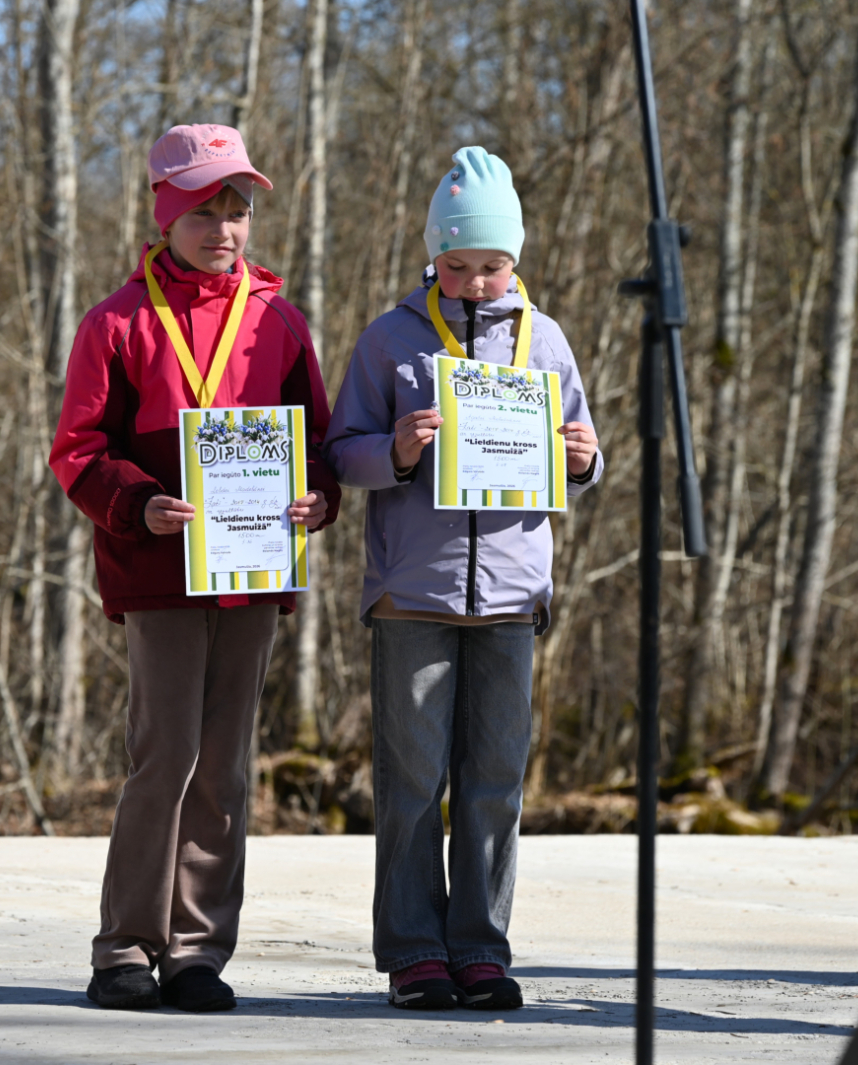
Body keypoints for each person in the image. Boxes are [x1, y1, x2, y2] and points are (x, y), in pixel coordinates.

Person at [49, 124, 341, 1013]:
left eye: (239, 209)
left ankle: (199, 950)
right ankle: (125, 947)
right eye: (207, 209)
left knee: (224, 762)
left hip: (252, 571)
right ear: (165, 213)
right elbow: (76, 449)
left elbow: (319, 444)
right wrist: (138, 503)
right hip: (159, 570)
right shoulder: (118, 321)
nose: (225, 227)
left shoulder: (280, 321)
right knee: (164, 753)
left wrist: (316, 497)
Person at [323, 146, 603, 1012]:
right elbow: (342, 454)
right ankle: (414, 950)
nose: (476, 282)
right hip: (414, 591)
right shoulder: (392, 338)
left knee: (495, 778)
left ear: (515, 260)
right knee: (412, 778)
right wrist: (399, 450)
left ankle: (481, 946)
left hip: (514, 596)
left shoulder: (545, 338)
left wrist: (587, 461)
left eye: (492, 265)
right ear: (432, 257)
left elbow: (582, 445)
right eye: (459, 265)